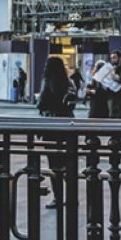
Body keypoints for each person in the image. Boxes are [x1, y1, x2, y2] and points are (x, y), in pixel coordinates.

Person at [38, 56, 77, 208]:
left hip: (51, 126)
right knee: (68, 164)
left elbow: (41, 103)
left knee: (54, 165)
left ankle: (58, 197)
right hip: (67, 125)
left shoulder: (48, 82)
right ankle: (72, 197)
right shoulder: (68, 83)